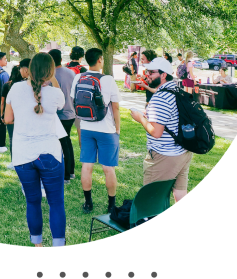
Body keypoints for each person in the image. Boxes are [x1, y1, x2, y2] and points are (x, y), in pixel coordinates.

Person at [4, 52, 66, 246]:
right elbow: (61, 106)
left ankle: (37, 245)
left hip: (22, 154)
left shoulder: (15, 88)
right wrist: (51, 79)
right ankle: (58, 246)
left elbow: (7, 119)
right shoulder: (56, 93)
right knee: (56, 203)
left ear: (29, 70)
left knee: (32, 201)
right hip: (50, 153)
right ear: (51, 71)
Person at [129, 57, 192, 202]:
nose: (147, 75)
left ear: (163, 75)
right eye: (147, 71)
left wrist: (140, 118)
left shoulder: (160, 97)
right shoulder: (176, 90)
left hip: (164, 154)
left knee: (151, 199)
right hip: (183, 152)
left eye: (151, 72)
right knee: (180, 193)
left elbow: (156, 132)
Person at [71, 48, 120, 215]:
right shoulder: (108, 80)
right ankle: (111, 205)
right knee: (108, 168)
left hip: (86, 128)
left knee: (87, 166)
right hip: (106, 130)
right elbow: (116, 108)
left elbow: (74, 102)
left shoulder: (78, 77)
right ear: (100, 59)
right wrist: (117, 129)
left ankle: (88, 203)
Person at [49, 48, 77, 184]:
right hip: (71, 113)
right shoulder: (71, 73)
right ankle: (71, 172)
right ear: (61, 59)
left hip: (59, 115)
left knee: (62, 144)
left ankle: (66, 175)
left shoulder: (50, 76)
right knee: (67, 142)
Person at [1, 58, 29, 154]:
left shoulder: (8, 86)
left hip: (11, 115)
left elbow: (2, 102)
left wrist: (2, 115)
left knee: (12, 138)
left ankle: (14, 160)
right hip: (22, 116)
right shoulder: (26, 85)